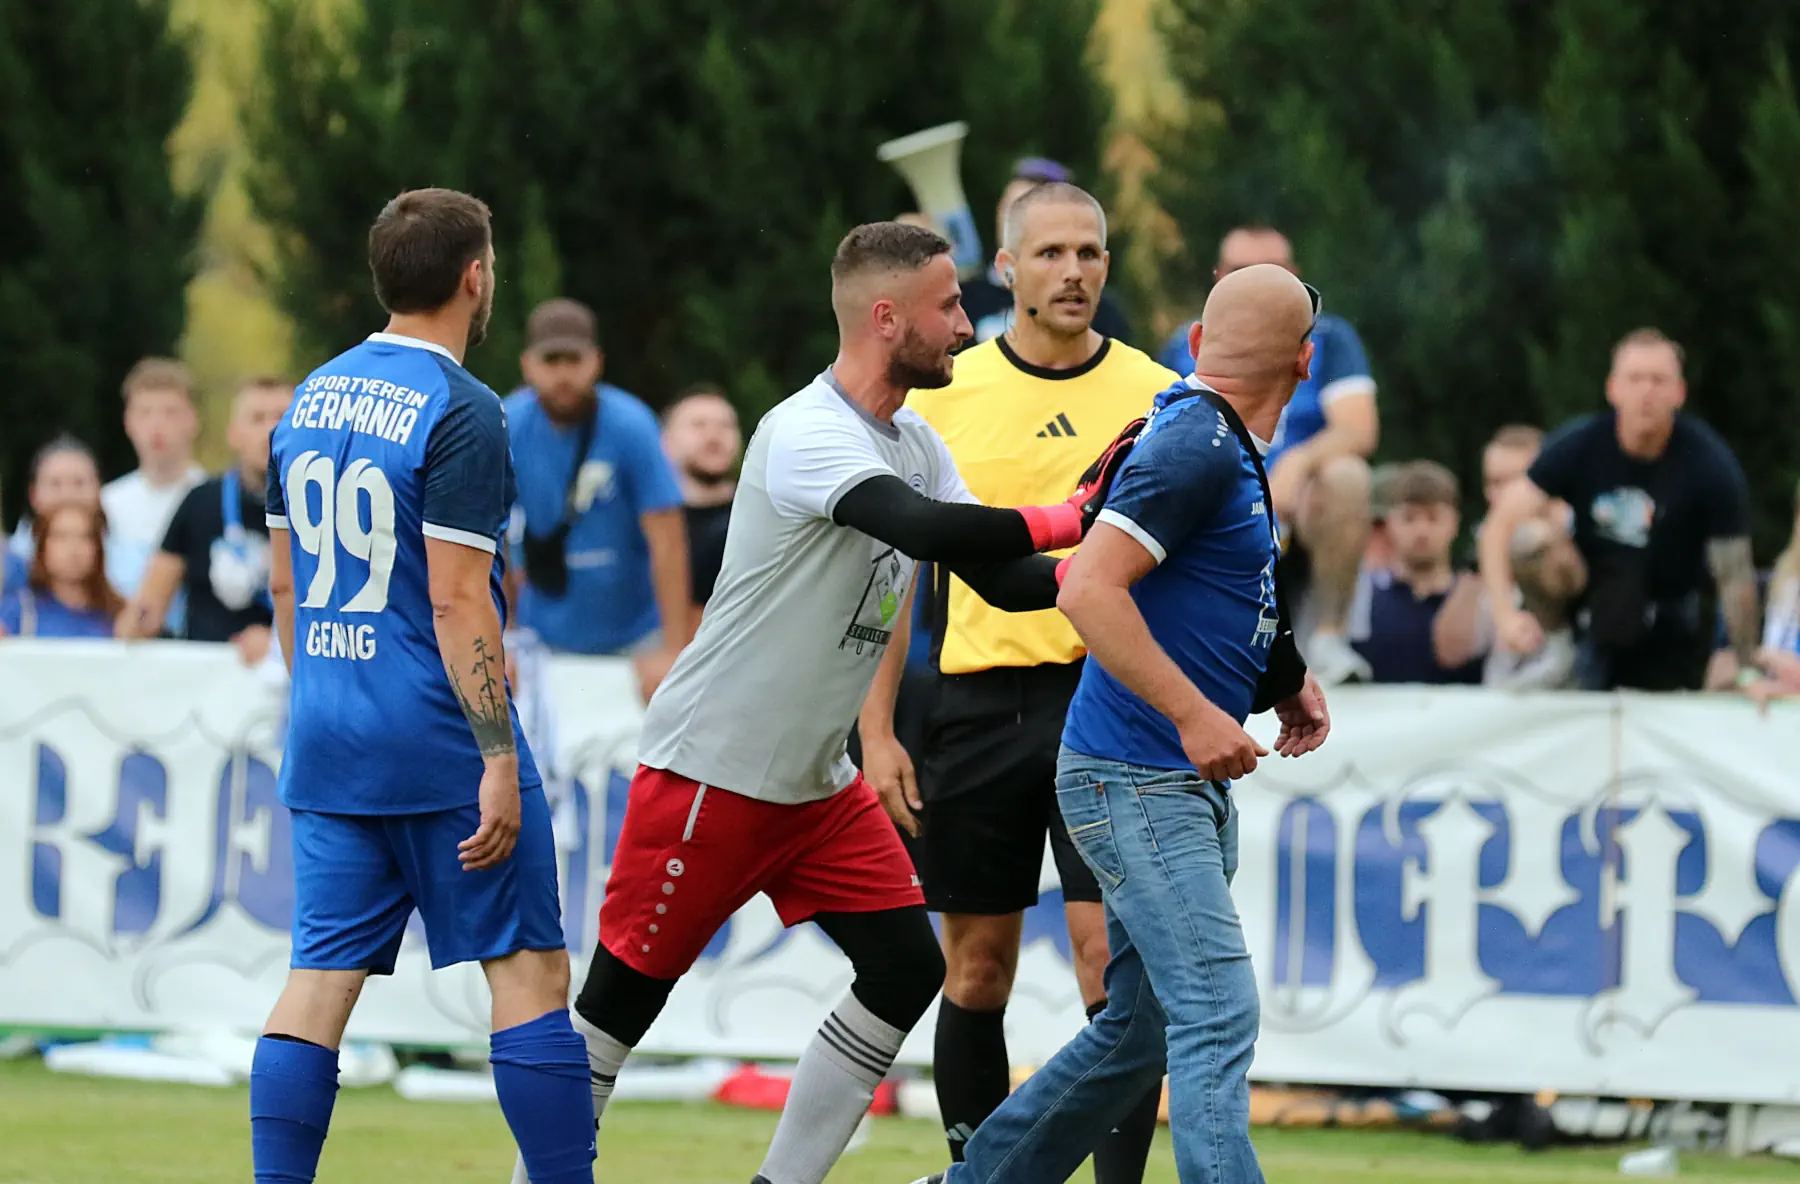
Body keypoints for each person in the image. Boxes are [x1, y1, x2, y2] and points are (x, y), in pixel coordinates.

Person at [523, 221, 1116, 1184]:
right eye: (948, 307)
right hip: (712, 774)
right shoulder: (806, 431)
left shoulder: (916, 440)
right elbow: (923, 527)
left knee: (909, 970)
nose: (966, 326)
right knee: (615, 1013)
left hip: (814, 786)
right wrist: (1077, 513)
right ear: (886, 319)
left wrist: (1114, 569)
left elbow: (1000, 578)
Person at [909, 262, 1330, 1184]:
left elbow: (1222, 582)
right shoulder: (1196, 444)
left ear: (1197, 344)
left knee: (1141, 1026)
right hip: (1140, 775)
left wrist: (1285, 674)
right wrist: (1194, 716)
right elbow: (1090, 591)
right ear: (1305, 363)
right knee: (1216, 1008)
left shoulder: (1211, 438)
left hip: (1151, 775)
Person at [251, 188, 595, 1184]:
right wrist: (497, 754)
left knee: (317, 983)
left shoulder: (309, 398)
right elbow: (456, 599)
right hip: (440, 736)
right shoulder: (463, 406)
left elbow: (285, 584)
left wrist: (327, 697)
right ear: (475, 276)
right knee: (528, 971)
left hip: (329, 733)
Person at [863, 180, 1176, 1180]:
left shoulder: (1157, 394)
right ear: (1005, 268)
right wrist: (877, 728)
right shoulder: (946, 393)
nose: (1072, 271)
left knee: (1109, 971)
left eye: (1088, 252)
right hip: (978, 707)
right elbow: (892, 574)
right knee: (977, 969)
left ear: (1108, 265)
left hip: (1109, 703)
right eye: (1049, 253)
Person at [1480, 328, 1758, 694]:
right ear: (1613, 389)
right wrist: (1504, 616)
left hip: (1668, 611)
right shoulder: (1581, 444)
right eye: (1635, 379)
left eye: (1658, 380)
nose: (1646, 392)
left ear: (1679, 393)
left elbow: (1735, 576)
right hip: (1589, 598)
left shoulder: (1709, 463)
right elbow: (1499, 525)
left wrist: (1747, 670)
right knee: (1530, 539)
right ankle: (1555, 645)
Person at [1160, 226, 1378, 684]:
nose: (1257, 283)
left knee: (1348, 476)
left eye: (1272, 271)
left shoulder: (1329, 337)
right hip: (1214, 491)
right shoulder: (1184, 343)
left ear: (1295, 277)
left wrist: (1296, 464)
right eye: (1241, 271)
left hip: (1299, 503)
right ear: (1219, 277)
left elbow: (1358, 429)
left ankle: (1329, 641)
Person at [504, 298, 692, 700]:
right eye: (551, 360)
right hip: (541, 640)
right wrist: (501, 636)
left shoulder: (631, 425)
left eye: (574, 359)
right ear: (528, 365)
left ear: (597, 362)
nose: (563, 374)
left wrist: (672, 649)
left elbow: (668, 540)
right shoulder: (509, 425)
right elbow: (490, 537)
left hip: (635, 639)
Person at [118, 378, 292, 664]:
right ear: (233, 434)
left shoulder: (324, 504)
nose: (271, 429)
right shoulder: (200, 501)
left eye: (282, 417)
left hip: (290, 671)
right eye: (257, 418)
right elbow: (149, 605)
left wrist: (274, 641)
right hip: (207, 678)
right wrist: (137, 621)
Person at [957, 158, 1134, 347]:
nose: (1011, 223)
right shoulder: (963, 300)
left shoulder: (1099, 310)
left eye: (1023, 213)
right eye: (1008, 209)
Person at [1345, 461, 1483, 684]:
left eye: (1433, 518)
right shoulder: (1360, 598)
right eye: (1409, 518)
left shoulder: (1480, 600)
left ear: (1454, 523)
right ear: (1390, 522)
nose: (1421, 531)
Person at [102, 357, 206, 600]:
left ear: (193, 420)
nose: (156, 425)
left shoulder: (212, 500)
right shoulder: (107, 504)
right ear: (128, 422)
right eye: (145, 413)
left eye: (170, 413)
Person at [660, 382, 742, 624]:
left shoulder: (766, 516)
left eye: (725, 426)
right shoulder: (648, 528)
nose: (714, 436)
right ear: (665, 441)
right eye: (698, 425)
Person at [0, 503, 125, 639]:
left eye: (85, 537)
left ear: (97, 548)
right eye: (61, 537)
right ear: (42, 546)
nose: (73, 549)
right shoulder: (18, 611)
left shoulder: (119, 615)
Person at [8, 436, 102, 562]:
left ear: (98, 489)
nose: (68, 495)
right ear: (33, 494)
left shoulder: (124, 558)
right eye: (55, 484)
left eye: (79, 483)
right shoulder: (8, 561)